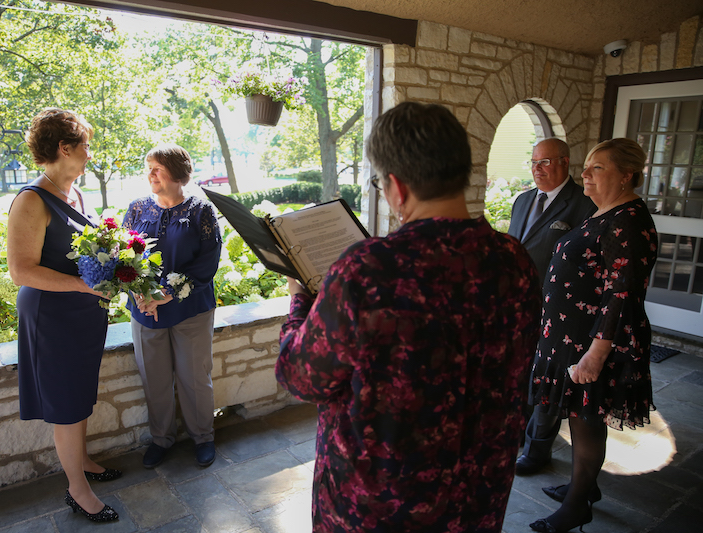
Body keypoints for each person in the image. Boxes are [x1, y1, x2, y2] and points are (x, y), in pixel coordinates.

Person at [275, 102, 542, 532]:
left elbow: (301, 376)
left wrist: (300, 303)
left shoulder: (369, 270)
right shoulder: (516, 261)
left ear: (396, 187)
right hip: (478, 496)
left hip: (380, 508)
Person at [528, 138, 658, 533]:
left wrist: (595, 355)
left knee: (586, 420)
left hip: (590, 344)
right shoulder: (605, 212)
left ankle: (578, 503)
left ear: (627, 175)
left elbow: (622, 294)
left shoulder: (629, 221)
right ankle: (584, 486)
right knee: (579, 415)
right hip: (567, 338)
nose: (584, 174)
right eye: (585, 167)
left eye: (597, 167)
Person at [8, 108, 119, 523]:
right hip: (52, 317)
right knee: (66, 403)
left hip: (82, 315)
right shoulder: (32, 200)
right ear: (64, 147)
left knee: (80, 395)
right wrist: (81, 286)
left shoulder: (75, 195)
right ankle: (77, 489)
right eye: (85, 146)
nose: (89, 155)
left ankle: (83, 461)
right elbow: (21, 270)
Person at [122, 145, 222, 470]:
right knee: (155, 379)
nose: (150, 174)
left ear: (178, 174)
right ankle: (162, 439)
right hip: (145, 310)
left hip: (191, 310)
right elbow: (123, 257)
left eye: (157, 169)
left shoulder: (201, 211)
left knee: (194, 377)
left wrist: (166, 294)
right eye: (148, 167)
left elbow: (207, 265)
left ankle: (203, 437)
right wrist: (139, 293)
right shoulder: (136, 209)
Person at [509, 138, 595, 476]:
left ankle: (537, 450)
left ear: (564, 162)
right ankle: (517, 432)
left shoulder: (583, 205)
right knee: (520, 372)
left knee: (547, 377)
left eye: (544, 162)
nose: (537, 168)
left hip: (558, 311)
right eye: (533, 162)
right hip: (519, 304)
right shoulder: (522, 200)